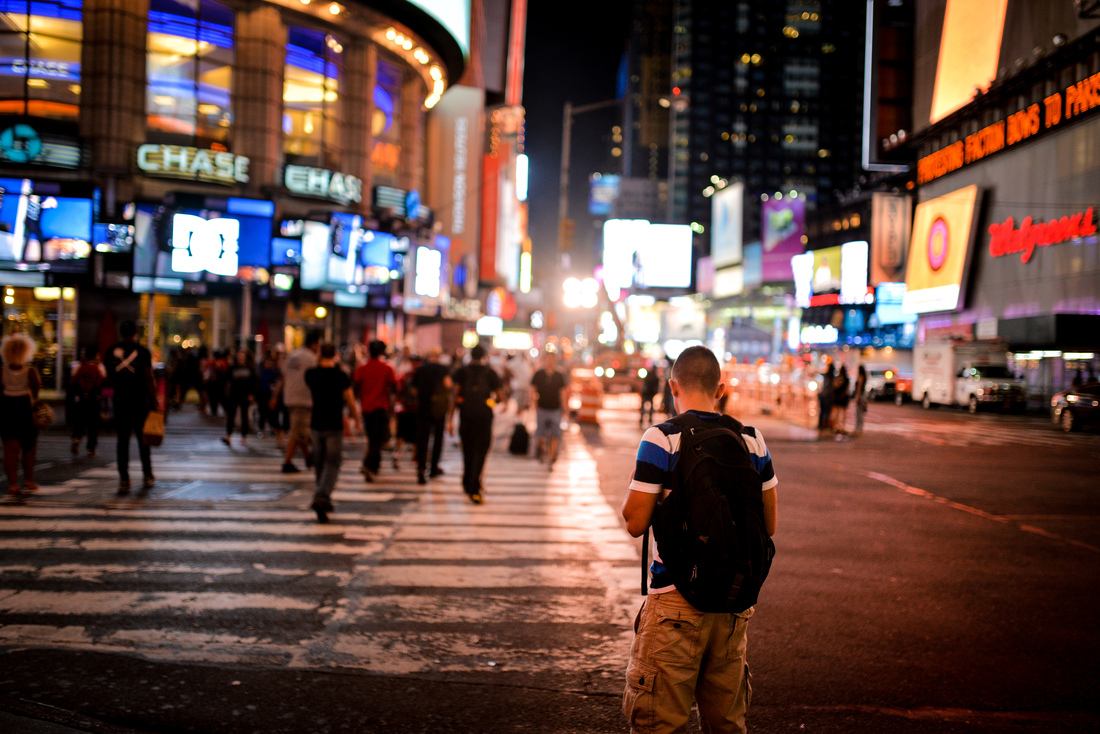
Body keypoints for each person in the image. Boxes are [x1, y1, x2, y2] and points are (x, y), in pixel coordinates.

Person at [620, 346, 779, 733]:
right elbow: (769, 524)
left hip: (675, 600)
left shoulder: (662, 438)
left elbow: (634, 521)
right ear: (720, 388)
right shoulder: (752, 440)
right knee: (726, 723)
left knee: (661, 723)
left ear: (673, 386)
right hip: (733, 600)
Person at [305, 343, 361, 523]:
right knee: (333, 462)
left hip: (316, 422)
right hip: (334, 423)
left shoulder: (311, 374)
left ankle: (322, 496)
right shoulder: (340, 376)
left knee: (320, 462)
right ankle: (322, 495)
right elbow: (350, 399)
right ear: (336, 355)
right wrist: (356, 418)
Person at [104, 320, 155, 496]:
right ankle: (147, 474)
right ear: (135, 333)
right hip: (140, 401)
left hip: (120, 400)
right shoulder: (143, 352)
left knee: (122, 441)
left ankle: (124, 479)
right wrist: (154, 400)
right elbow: (149, 377)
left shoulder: (111, 352)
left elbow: (109, 377)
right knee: (143, 440)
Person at [450, 345, 501, 504]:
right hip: (484, 416)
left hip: (466, 415)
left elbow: (454, 395)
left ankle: (467, 481)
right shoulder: (490, 372)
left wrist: (450, 419)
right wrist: (490, 402)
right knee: (481, 450)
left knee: (468, 449)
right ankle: (475, 484)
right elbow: (500, 396)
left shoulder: (462, 371)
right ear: (484, 356)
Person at [2, 334, 42, 497]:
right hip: (25, 408)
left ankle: (12, 484)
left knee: (10, 449)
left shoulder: (2, 371)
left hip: (6, 408)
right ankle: (28, 480)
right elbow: (36, 390)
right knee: (29, 448)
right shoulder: (30, 371)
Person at [353, 340, 398, 481]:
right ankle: (370, 465)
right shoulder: (387, 368)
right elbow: (394, 387)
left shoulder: (362, 368)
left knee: (372, 438)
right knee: (377, 440)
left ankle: (373, 466)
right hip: (381, 407)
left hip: (366, 408)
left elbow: (356, 387)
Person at [277, 331, 321, 473]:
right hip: (304, 398)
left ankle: (308, 458)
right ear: (314, 344)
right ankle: (287, 462)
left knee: (299, 430)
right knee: (297, 432)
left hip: (290, 397)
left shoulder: (293, 355)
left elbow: (283, 376)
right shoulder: (311, 358)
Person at [412, 349, 453, 485]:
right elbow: (448, 385)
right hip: (438, 409)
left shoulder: (420, 369)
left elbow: (413, 389)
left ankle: (421, 468)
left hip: (423, 407)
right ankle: (434, 467)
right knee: (438, 438)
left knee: (422, 439)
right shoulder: (443, 369)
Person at [531, 351, 569, 469]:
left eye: (552, 359)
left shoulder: (559, 375)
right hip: (542, 408)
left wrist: (565, 408)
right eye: (548, 359)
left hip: (555, 409)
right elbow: (533, 390)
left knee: (555, 434)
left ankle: (552, 457)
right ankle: (542, 450)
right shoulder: (539, 374)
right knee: (540, 434)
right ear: (544, 360)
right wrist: (534, 404)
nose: (550, 362)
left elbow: (562, 393)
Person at [70, 346, 106, 457]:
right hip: (94, 399)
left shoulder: (79, 366)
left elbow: (73, 381)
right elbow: (103, 381)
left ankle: (76, 439)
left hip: (81, 398)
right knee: (93, 424)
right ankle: (91, 449)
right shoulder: (99, 367)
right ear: (96, 355)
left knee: (79, 421)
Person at [222, 348, 258, 446]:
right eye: (239, 356)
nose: (240, 358)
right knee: (231, 415)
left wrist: (252, 394)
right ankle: (228, 436)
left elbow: (254, 382)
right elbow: (226, 379)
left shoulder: (250, 368)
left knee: (244, 416)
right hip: (234, 394)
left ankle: (244, 437)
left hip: (245, 395)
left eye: (242, 356)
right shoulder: (233, 367)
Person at [831, 365, 850, 437]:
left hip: (837, 397)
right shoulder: (847, 379)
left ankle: (836, 427)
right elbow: (847, 390)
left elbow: (835, 386)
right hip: (843, 398)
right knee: (842, 414)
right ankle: (841, 427)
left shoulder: (838, 378)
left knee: (836, 413)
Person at [818, 362, 835, 433]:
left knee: (822, 411)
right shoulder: (832, 377)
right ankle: (824, 424)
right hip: (828, 396)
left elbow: (822, 386)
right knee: (827, 411)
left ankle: (821, 424)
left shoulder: (826, 376)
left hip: (824, 395)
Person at [852, 364, 869, 436]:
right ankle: (860, 429)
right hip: (864, 396)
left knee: (858, 414)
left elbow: (858, 388)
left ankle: (857, 430)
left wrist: (857, 397)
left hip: (861, 396)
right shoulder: (865, 377)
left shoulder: (860, 377)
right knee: (861, 413)